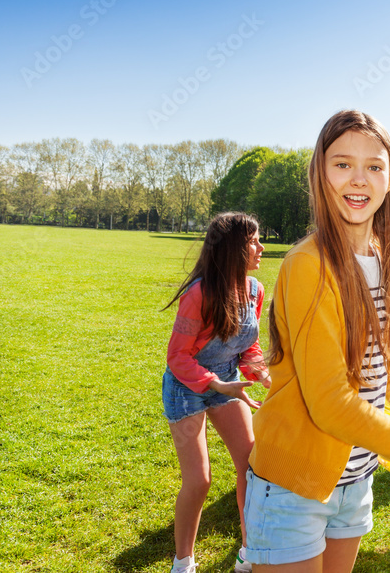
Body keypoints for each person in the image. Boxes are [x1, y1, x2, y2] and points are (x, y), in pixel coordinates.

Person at [244, 110, 390, 572]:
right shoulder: (307, 266)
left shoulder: (387, 260)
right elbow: (331, 403)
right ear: (320, 173)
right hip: (295, 484)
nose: (359, 179)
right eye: (342, 164)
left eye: (374, 166)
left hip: (356, 483)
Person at [162, 212, 271, 573]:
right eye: (253, 241)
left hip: (226, 381)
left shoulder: (255, 290)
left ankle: (248, 551)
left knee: (252, 466)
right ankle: (183, 563)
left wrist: (263, 373)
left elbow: (247, 348)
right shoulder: (199, 294)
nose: (261, 247)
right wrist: (216, 384)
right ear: (232, 249)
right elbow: (178, 356)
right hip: (186, 388)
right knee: (200, 479)